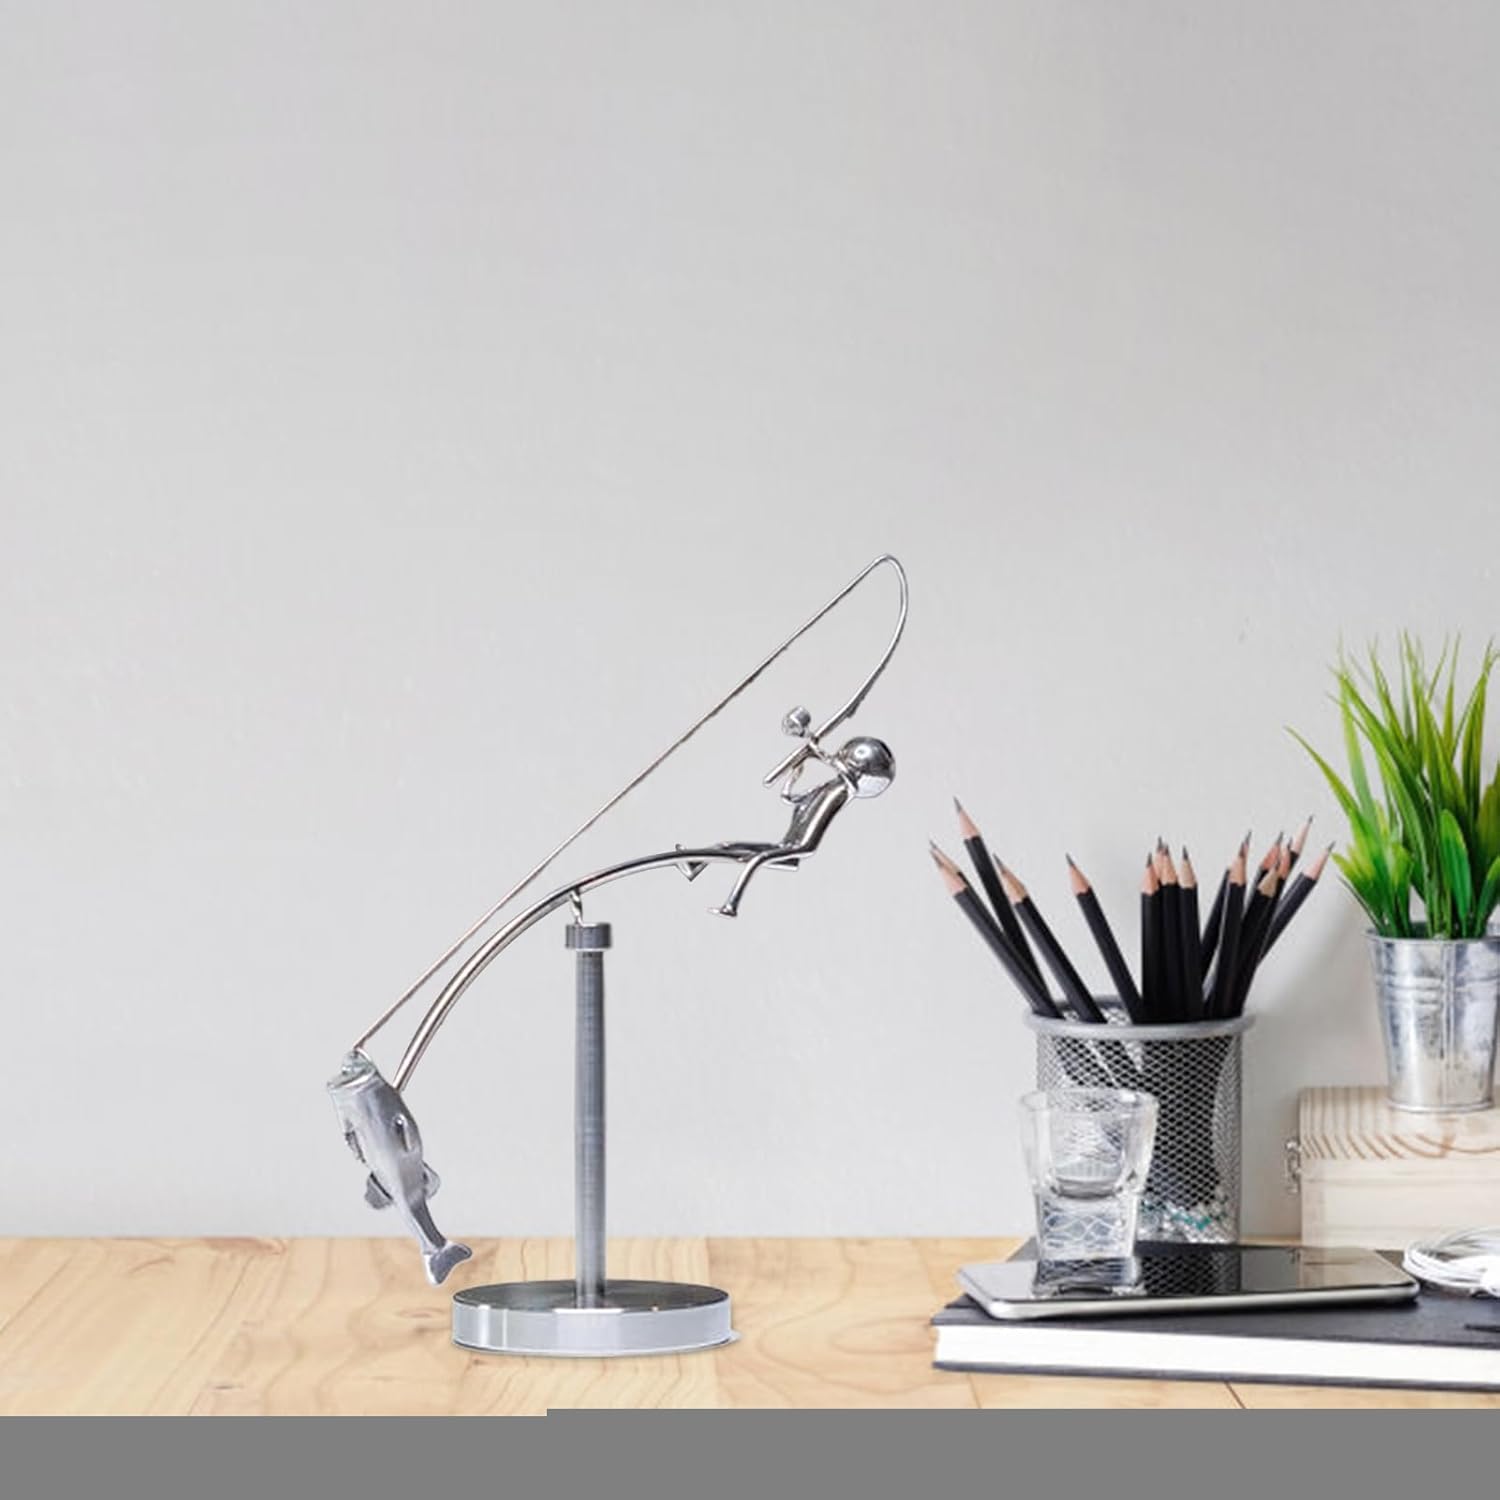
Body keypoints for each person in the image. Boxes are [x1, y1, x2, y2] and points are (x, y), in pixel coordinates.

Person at [712, 735, 895, 917]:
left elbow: (843, 771)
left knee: (758, 859)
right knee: (726, 846)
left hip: (803, 844)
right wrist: (794, 774)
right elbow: (790, 798)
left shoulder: (847, 790)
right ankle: (696, 865)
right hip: (788, 842)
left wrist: (816, 751)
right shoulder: (827, 787)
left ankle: (731, 905)